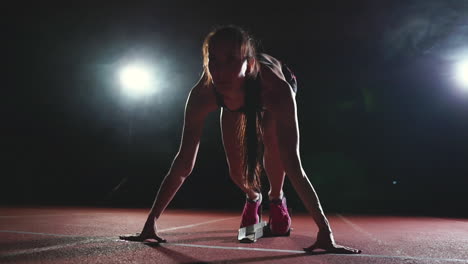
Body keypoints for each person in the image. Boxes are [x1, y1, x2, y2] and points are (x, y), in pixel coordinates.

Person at [120, 25, 361, 254]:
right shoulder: (204, 92)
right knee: (237, 171)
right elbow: (184, 163)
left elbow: (294, 165)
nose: (221, 70)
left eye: (231, 60)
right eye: (213, 60)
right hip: (238, 102)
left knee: (273, 142)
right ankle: (253, 198)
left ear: (250, 63)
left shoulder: (276, 90)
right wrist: (151, 222)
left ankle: (276, 200)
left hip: (274, 85)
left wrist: (325, 231)